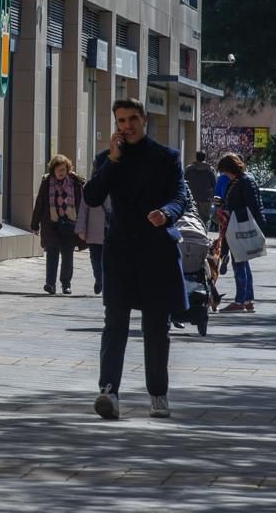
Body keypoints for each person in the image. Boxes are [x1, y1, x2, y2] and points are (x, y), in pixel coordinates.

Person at [84, 99, 190, 421]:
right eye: (120, 121)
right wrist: (112, 162)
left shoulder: (166, 157)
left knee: (156, 328)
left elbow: (180, 196)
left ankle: (158, 394)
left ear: (144, 119)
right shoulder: (107, 159)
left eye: (132, 119)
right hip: (119, 254)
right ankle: (109, 392)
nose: (126, 126)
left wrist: (167, 214)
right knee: (114, 325)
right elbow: (91, 197)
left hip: (155, 252)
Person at [30, 155, 86, 295]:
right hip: (51, 224)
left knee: (67, 256)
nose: (61, 172)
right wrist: (35, 223)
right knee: (52, 254)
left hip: (70, 223)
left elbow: (82, 205)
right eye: (58, 170)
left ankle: (66, 284)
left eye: (63, 169)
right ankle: (50, 284)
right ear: (53, 170)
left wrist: (83, 225)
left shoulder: (75, 182)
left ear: (67, 169)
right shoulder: (47, 182)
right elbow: (40, 203)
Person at [217, 153, 263, 313]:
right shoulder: (237, 181)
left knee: (239, 263)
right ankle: (248, 300)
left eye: (224, 171)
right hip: (236, 225)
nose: (224, 174)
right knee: (243, 262)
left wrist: (231, 213)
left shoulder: (244, 181)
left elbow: (253, 206)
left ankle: (240, 301)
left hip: (241, 226)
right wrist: (223, 207)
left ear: (230, 168)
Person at [77, 190, 107, 295]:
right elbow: (83, 210)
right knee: (95, 259)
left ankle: (104, 281)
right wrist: (81, 229)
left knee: (109, 259)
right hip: (94, 231)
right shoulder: (91, 188)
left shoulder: (118, 186)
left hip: (111, 230)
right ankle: (99, 279)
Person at [184, 151, 217, 223]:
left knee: (192, 218)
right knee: (205, 219)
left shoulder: (189, 169)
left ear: (196, 157)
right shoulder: (210, 170)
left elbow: (184, 183)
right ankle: (204, 233)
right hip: (206, 198)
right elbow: (214, 185)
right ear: (205, 157)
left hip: (192, 197)